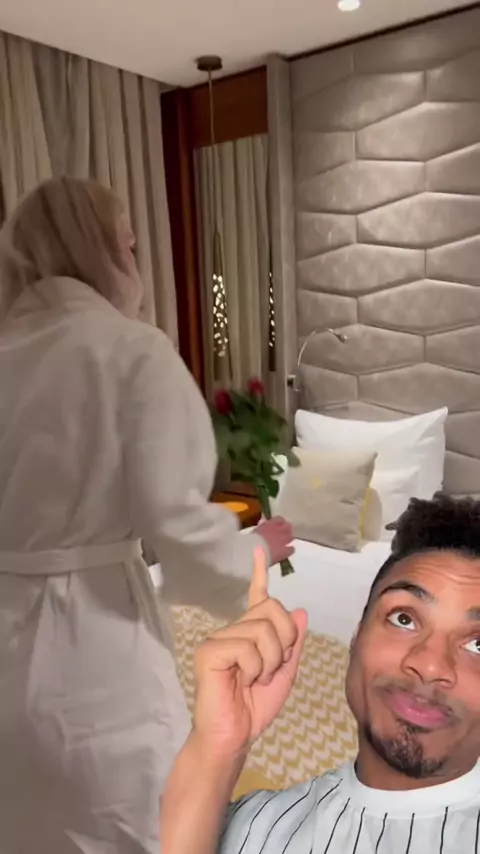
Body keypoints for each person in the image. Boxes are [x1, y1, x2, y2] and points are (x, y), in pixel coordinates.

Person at [0, 176, 293, 854]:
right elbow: (180, 530)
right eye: (129, 245)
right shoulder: (131, 350)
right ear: (102, 249)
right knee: (138, 820)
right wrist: (257, 550)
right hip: (94, 647)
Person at [162, 493, 480, 854]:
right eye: (403, 619)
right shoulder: (251, 825)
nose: (430, 664)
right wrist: (216, 746)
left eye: (478, 644)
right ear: (356, 637)